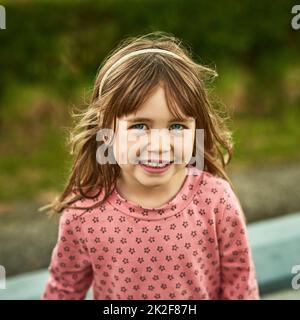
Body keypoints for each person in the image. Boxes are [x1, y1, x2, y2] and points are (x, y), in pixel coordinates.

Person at [39, 31, 260, 300]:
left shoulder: (216, 201)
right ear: (106, 131)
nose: (158, 145)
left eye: (177, 126)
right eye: (140, 126)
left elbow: (240, 284)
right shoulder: (84, 212)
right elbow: (63, 289)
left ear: (196, 130)